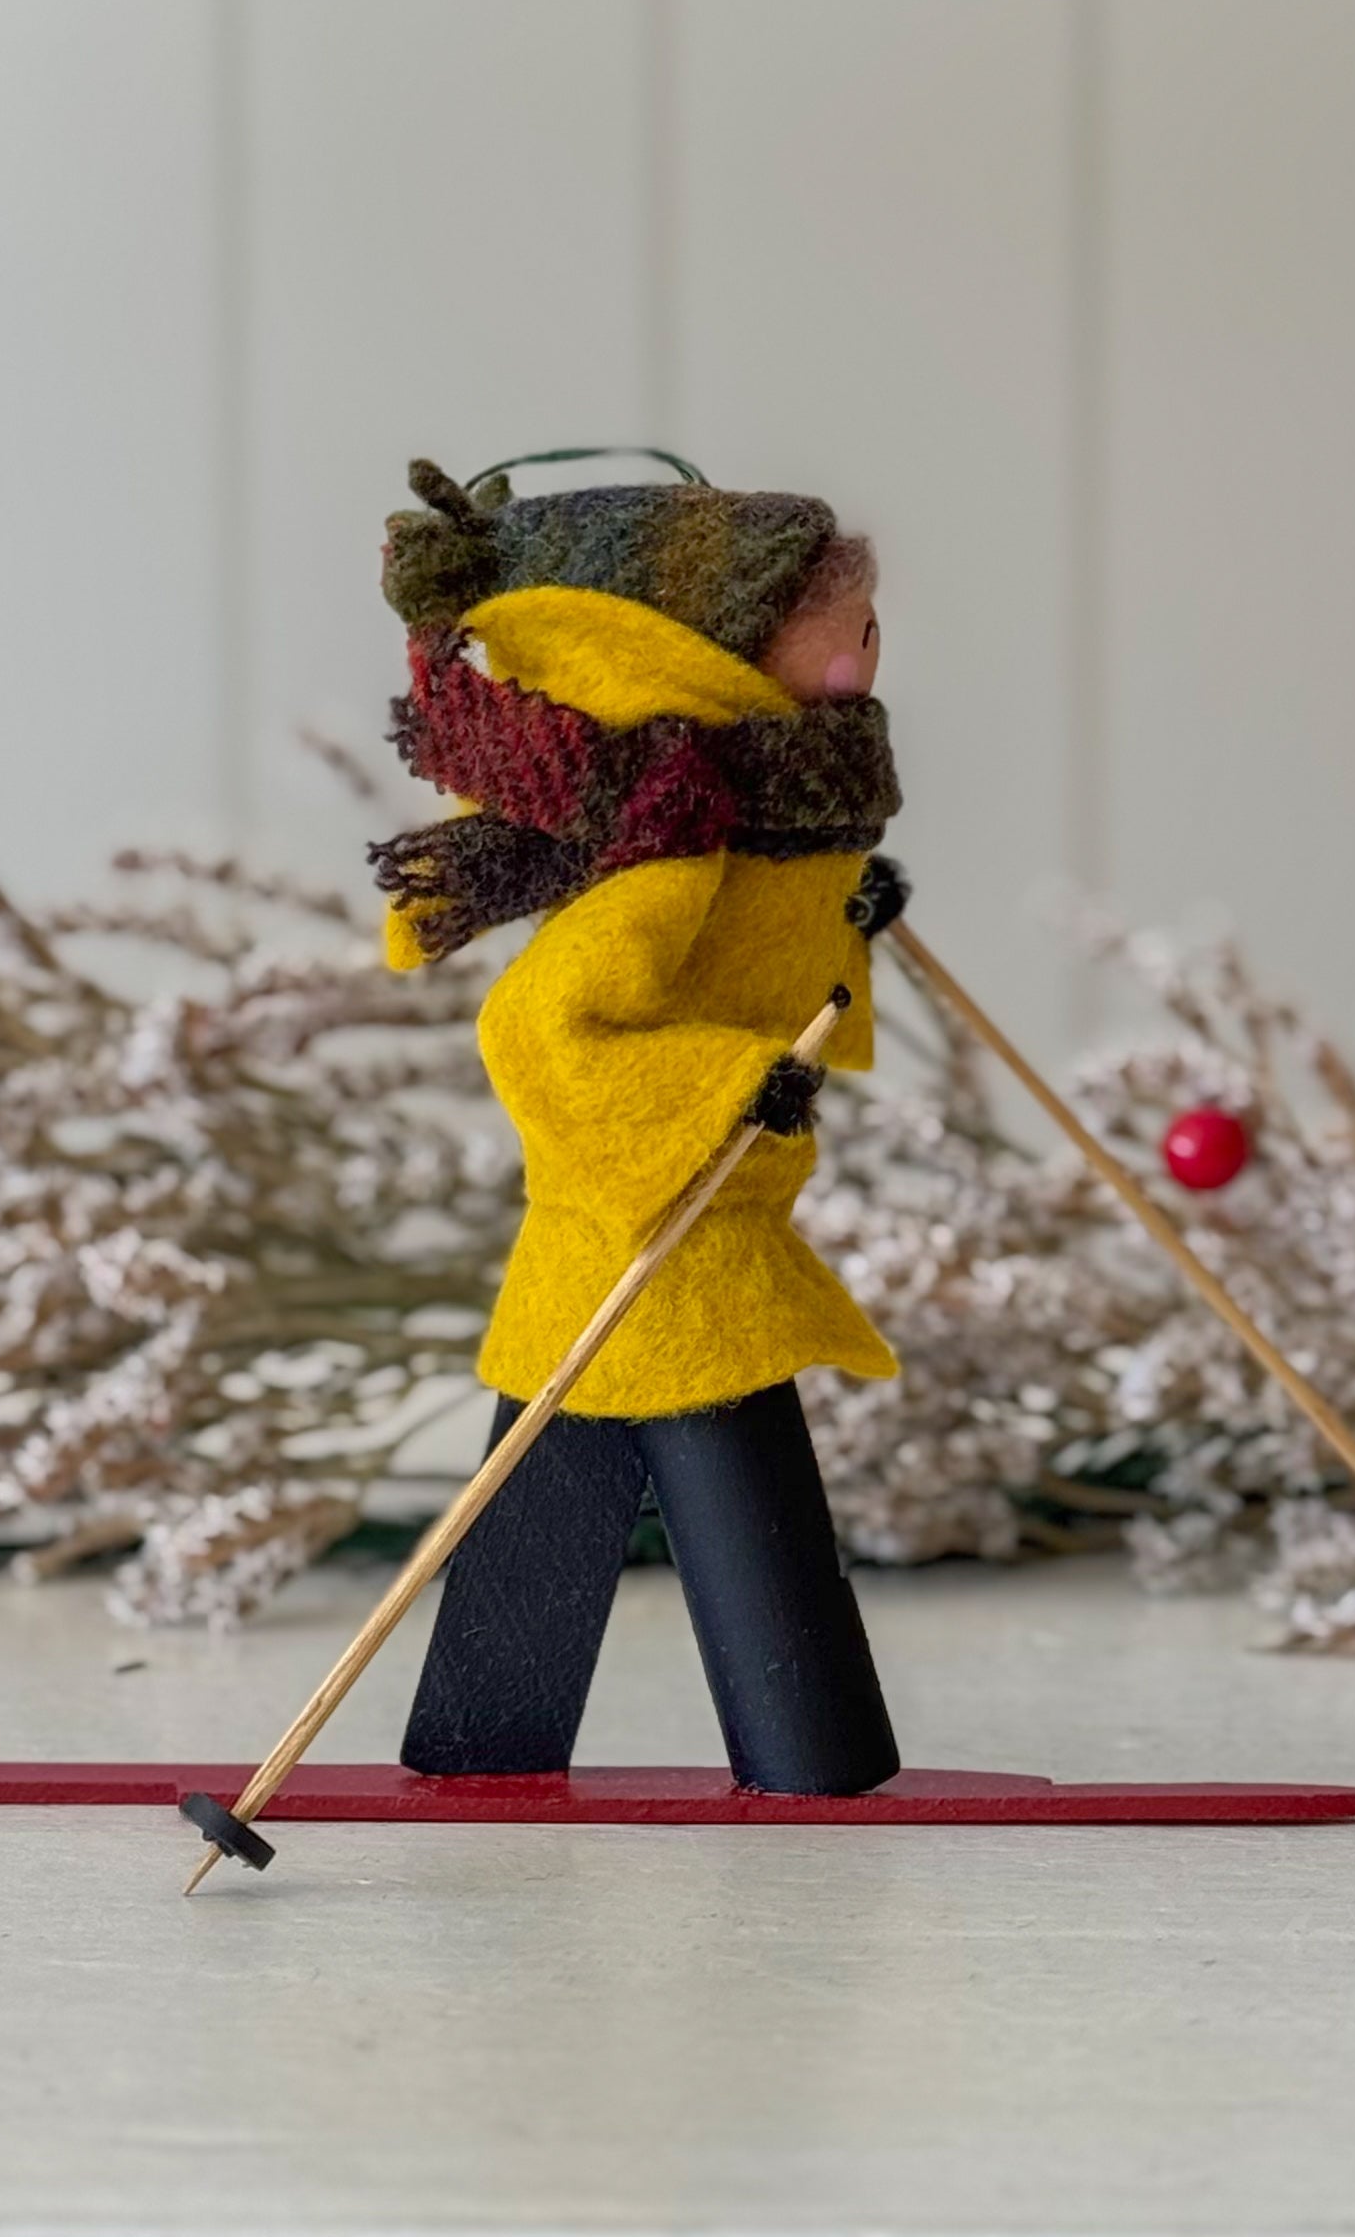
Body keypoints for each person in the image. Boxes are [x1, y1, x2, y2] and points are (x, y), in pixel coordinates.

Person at [370, 453, 911, 1796]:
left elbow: (767, 964)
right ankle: (809, 1753)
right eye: (847, 635)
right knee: (733, 1472)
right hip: (659, 1228)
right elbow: (539, 1027)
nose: (867, 663)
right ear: (731, 655)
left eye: (869, 630)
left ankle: (486, 1743)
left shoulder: (780, 806)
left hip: (658, 1227)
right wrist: (725, 1085)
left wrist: (847, 918)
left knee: (554, 1484)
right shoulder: (679, 842)